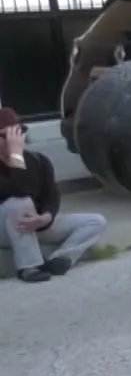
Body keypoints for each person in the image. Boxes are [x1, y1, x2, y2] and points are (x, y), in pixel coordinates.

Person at [1, 108, 108, 283]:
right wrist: (16, 157)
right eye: (6, 136)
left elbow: (51, 196)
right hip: (3, 229)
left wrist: (45, 218)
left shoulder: (38, 161)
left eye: (18, 133)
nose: (13, 140)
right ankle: (30, 266)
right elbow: (19, 190)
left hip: (31, 226)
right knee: (20, 203)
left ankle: (61, 259)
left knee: (96, 221)